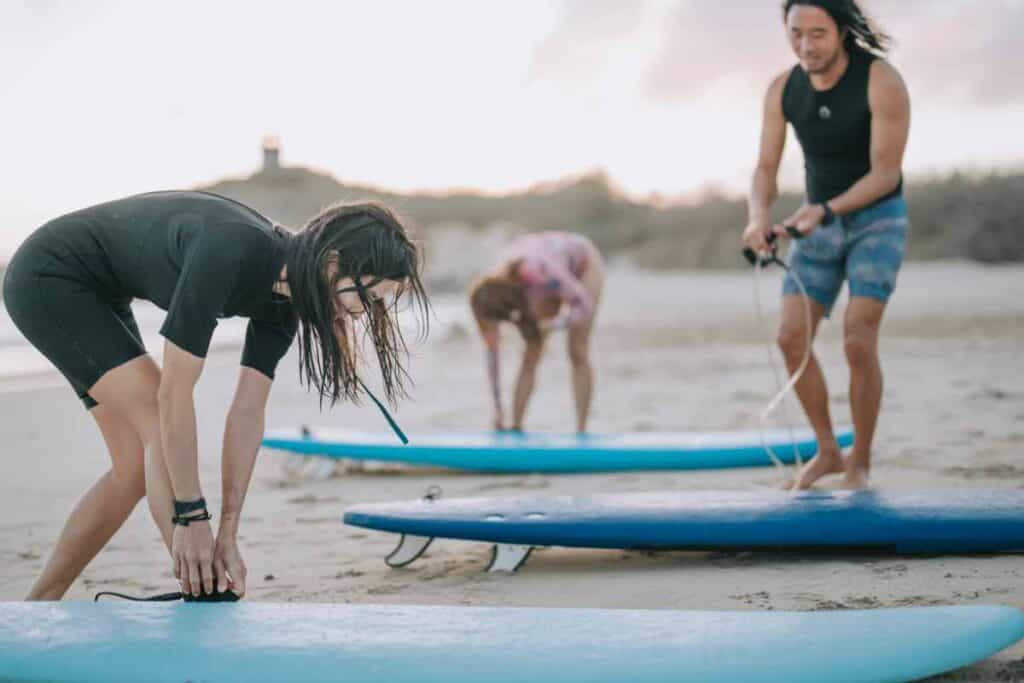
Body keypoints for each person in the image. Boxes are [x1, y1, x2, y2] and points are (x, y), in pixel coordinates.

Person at [2, 191, 428, 599]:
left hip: (98, 292)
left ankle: (41, 600)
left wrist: (226, 529)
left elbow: (246, 413)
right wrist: (192, 516)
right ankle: (201, 582)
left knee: (133, 469)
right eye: (369, 296)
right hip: (48, 276)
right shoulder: (231, 249)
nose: (364, 312)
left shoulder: (285, 300)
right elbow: (174, 394)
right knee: (155, 414)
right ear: (333, 263)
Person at [741, 0, 910, 489]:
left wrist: (827, 209)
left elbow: (886, 173)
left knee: (858, 338)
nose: (805, 45)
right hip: (814, 223)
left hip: (876, 220)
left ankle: (860, 462)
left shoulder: (880, 80)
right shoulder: (783, 89)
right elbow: (765, 169)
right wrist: (757, 218)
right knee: (790, 338)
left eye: (818, 34)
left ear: (841, 31)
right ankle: (829, 451)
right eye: (796, 33)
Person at [469, 231, 604, 434]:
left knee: (577, 350)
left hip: (583, 264)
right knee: (531, 354)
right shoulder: (489, 295)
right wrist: (497, 412)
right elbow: (492, 355)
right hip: (538, 280)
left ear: (508, 310)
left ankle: (581, 430)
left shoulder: (539, 272)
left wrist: (554, 325)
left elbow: (584, 305)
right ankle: (516, 426)